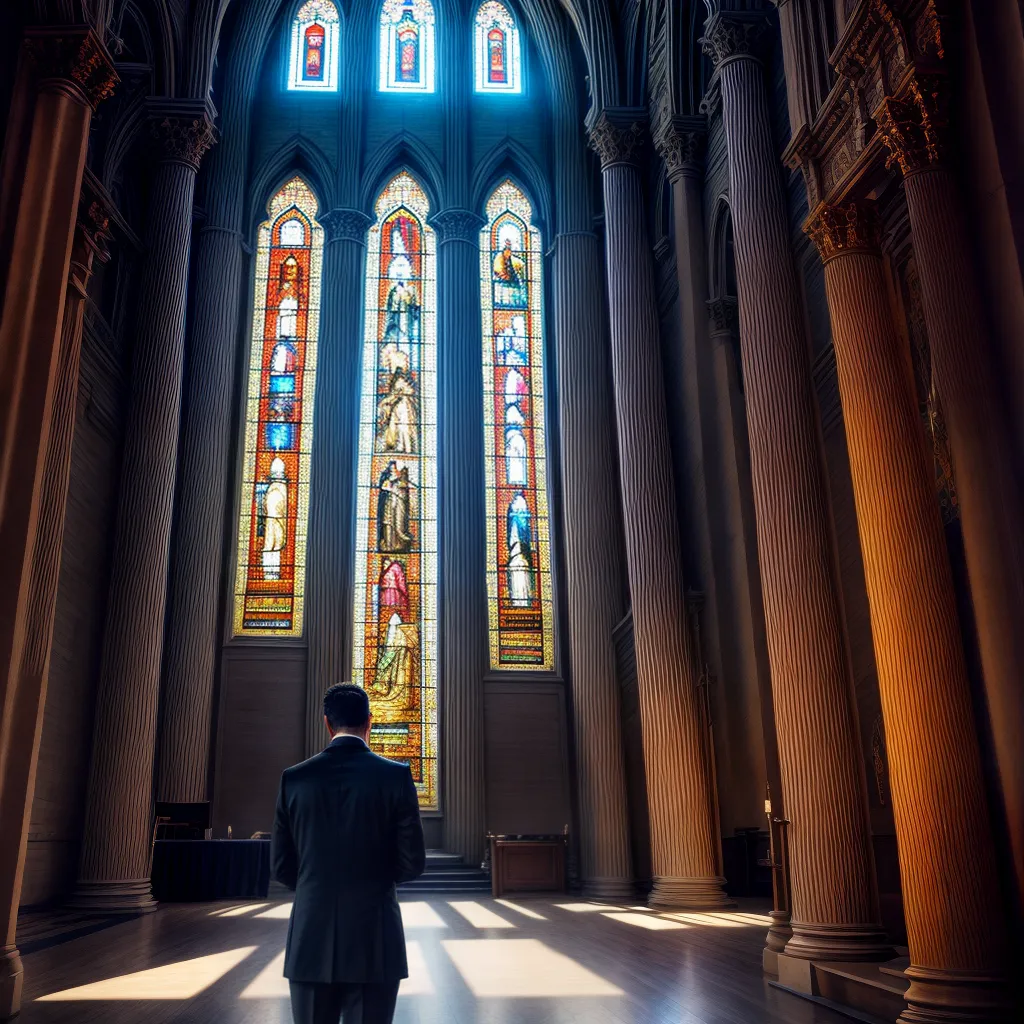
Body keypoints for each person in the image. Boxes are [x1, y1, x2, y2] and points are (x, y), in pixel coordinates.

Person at [272, 683, 426, 1024]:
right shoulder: (396, 777)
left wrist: (317, 886)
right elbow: (412, 862)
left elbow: (281, 866)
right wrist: (375, 879)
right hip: (375, 937)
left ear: (327, 723)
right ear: (369, 722)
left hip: (311, 936)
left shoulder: (294, 779)